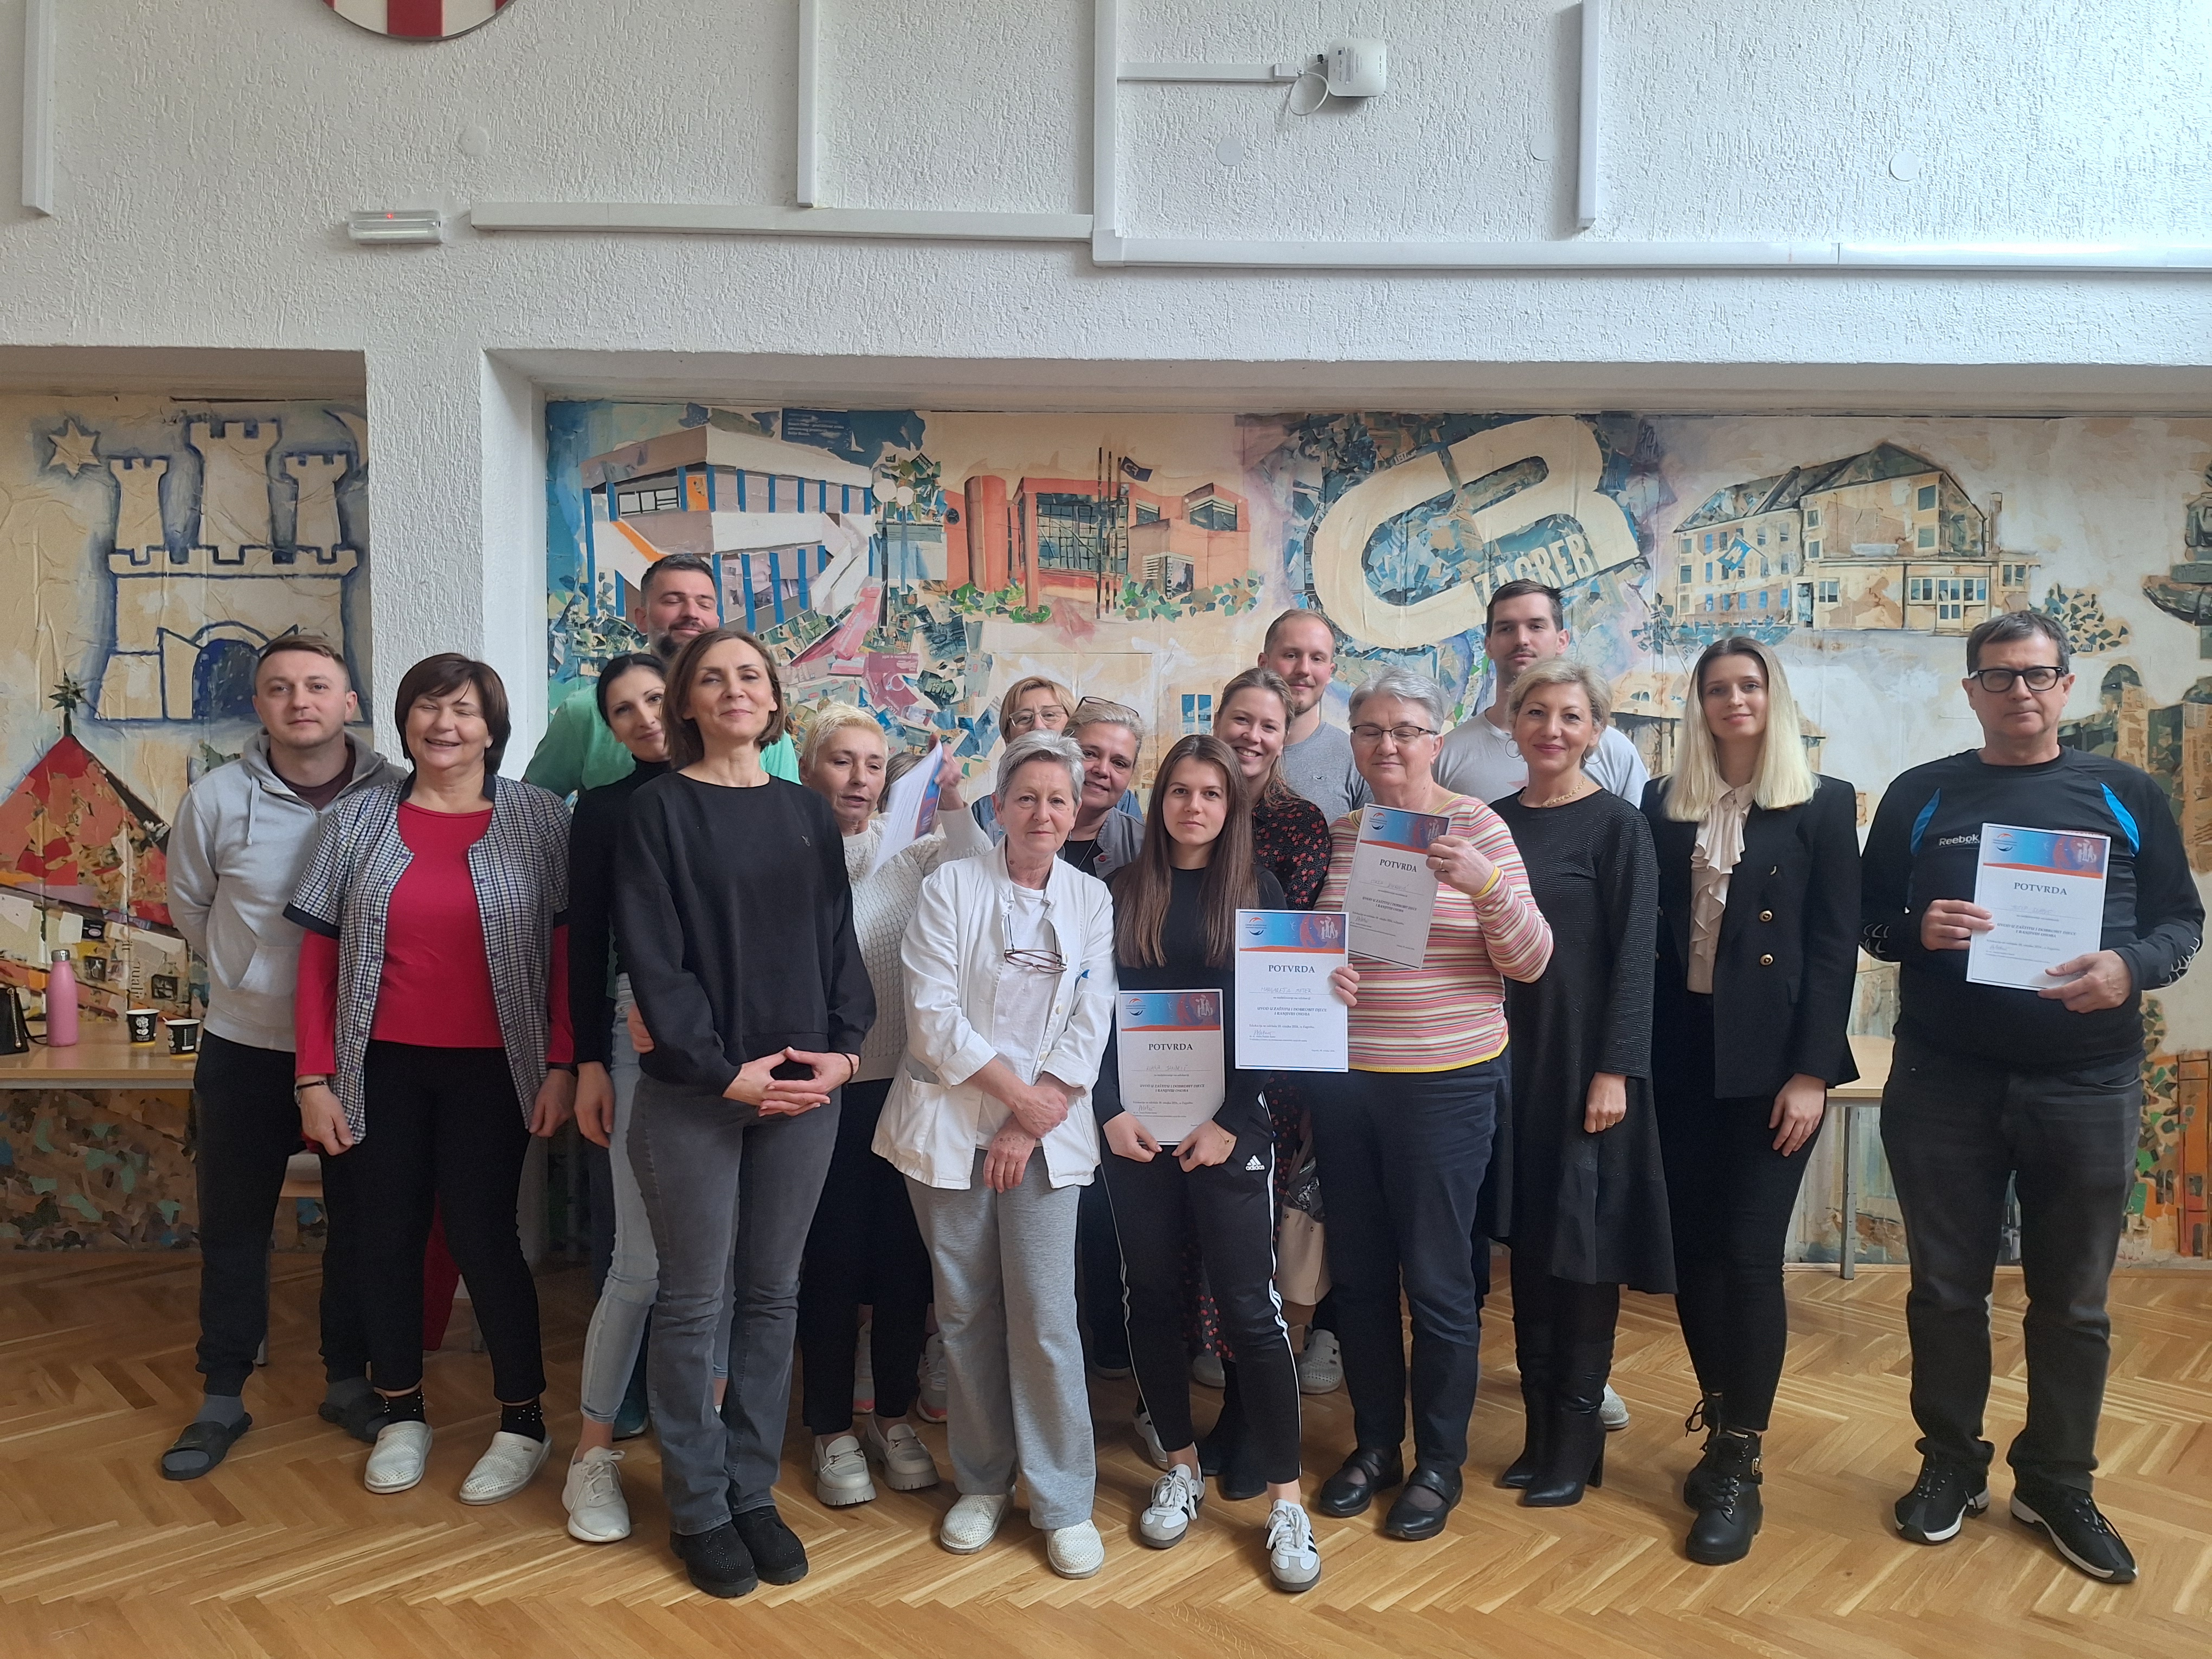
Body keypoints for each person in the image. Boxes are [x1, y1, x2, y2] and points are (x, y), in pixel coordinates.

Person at [1862, 610, 2200, 1585]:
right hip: (1942, 1082)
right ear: (1971, 690)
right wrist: (1916, 929)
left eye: (2038, 674)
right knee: (1944, 1291)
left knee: (2075, 1305)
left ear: (2066, 686)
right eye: (2000, 676)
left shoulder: (2127, 793)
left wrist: (2130, 968)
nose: (2020, 691)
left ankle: (2056, 1480)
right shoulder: (1922, 795)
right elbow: (1868, 921)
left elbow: (2181, 924)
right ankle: (1951, 1463)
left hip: (2089, 1085)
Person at [614, 627, 874, 1599]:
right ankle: (698, 1507)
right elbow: (655, 961)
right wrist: (725, 1074)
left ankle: (751, 1490)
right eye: (713, 678)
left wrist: (846, 1052)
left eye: (752, 677)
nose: (734, 690)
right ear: (685, 701)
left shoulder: (807, 813)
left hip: (803, 1093)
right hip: (699, 1095)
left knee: (772, 1297)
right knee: (694, 1301)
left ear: (774, 701)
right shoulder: (657, 811)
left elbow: (839, 946)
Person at [288, 654, 576, 1504]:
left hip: (498, 1068)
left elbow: (567, 957)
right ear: (405, 722)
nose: (444, 725)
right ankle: (401, 1411)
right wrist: (314, 1077)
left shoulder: (539, 819)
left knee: (486, 1238)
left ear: (492, 728)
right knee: (386, 1237)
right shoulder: (355, 820)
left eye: (464, 710)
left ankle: (522, 1422)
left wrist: (563, 1063)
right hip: (379, 1065)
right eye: (427, 707)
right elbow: (317, 961)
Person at [1309, 666, 1553, 1541]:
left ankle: (1439, 1462)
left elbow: (1532, 961)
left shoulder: (1479, 827)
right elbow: (1315, 953)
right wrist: (1321, 975)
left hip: (1447, 1084)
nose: (1388, 745)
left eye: (1406, 730)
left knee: (1440, 1280)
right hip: (1348, 1086)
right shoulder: (1344, 835)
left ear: (1436, 741)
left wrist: (1484, 884)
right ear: (1354, 741)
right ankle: (1377, 1445)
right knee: (1362, 1278)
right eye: (1371, 730)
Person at [873, 730, 1117, 1580]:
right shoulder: (950, 887)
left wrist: (1028, 1120)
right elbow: (932, 1018)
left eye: (1058, 799)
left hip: (1045, 1134)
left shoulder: (1092, 899)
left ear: (1075, 810)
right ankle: (982, 1483)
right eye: (1027, 797)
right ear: (1000, 806)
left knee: (1046, 1319)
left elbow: (1093, 1016)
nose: (1042, 813)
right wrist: (1017, 1099)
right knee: (967, 1313)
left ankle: (1063, 1501)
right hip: (950, 1129)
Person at [158, 636, 401, 1480]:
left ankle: (347, 1381)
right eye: (280, 688)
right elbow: (190, 904)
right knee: (234, 1227)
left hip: (361, 1052)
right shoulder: (216, 799)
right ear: (259, 705)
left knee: (359, 1228)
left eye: (318, 686)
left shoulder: (397, 793)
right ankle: (222, 1395)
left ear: (348, 702)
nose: (300, 701)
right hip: (246, 1047)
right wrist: (249, 976)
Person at [1643, 635, 1860, 1566]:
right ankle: (1721, 1418)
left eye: (1750, 686)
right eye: (1718, 689)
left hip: (1775, 1065)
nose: (1735, 701)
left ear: (1774, 699)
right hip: (1681, 1054)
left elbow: (1834, 946)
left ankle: (1741, 1457)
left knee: (1748, 1252)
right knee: (1692, 1252)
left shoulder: (1822, 801)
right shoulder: (1665, 802)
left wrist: (1811, 1073)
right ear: (1699, 705)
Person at [1095, 734, 1322, 1592]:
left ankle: (1287, 1503)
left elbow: (1278, 1017)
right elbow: (1091, 1014)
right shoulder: (1122, 890)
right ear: (1159, 804)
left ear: (1233, 808)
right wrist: (1109, 1109)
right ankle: (1181, 1467)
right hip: (1137, 1135)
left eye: (1212, 794)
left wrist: (1229, 1120)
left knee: (1251, 1311)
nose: (1195, 807)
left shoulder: (1258, 891)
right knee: (1151, 1298)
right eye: (1180, 792)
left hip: (1230, 1134)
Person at [1484, 660, 1671, 1510]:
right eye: (1536, 712)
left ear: (1596, 730)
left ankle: (1577, 1431)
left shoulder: (1619, 826)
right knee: (1529, 1250)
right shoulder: (1491, 822)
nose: (1551, 729)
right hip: (1507, 1063)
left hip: (1586, 1067)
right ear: (1514, 723)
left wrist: (1616, 1068)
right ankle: (1538, 1435)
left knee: (1582, 1254)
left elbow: (1637, 958)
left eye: (1570, 715)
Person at [795, 705, 990, 1509]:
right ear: (809, 768)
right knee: (833, 1263)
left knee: (907, 1263)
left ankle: (893, 1416)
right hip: (823, 1090)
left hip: (908, 1087)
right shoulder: (788, 849)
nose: (859, 778)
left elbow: (983, 870)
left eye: (874, 765)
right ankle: (830, 1426)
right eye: (842, 761)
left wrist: (953, 798)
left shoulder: (913, 852)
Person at [557, 653, 672, 1544]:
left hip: (747, 1050)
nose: (643, 717)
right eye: (622, 710)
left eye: (655, 698)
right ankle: (591, 1454)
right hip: (634, 1040)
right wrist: (588, 1061)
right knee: (639, 1263)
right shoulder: (603, 810)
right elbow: (585, 939)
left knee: (724, 1270)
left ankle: (702, 1445)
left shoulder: (755, 797)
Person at [526, 552, 796, 793]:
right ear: (642, 618)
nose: (691, 613)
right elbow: (529, 807)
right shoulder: (583, 712)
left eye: (704, 604)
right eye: (673, 601)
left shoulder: (751, 715)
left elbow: (787, 811)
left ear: (717, 621)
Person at [1434, 580, 1649, 805]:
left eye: (1536, 626)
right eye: (1506, 628)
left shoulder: (1614, 750)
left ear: (1562, 640)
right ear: (1488, 645)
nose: (1521, 639)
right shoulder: (1449, 753)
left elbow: (1637, 825)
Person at [1215, 666, 1333, 909]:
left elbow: (1292, 924)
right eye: (1241, 720)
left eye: (1269, 727)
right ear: (1217, 723)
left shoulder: (1302, 823)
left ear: (1283, 741)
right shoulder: (1188, 805)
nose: (1253, 736)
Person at [1256, 609, 1368, 824]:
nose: (1304, 669)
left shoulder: (1355, 757)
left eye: (1317, 659)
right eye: (1291, 655)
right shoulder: (1229, 751)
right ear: (1263, 664)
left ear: (1330, 672)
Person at [1059, 700, 1146, 879]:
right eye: (1089, 754)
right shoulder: (1012, 830)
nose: (1103, 770)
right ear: (1060, 753)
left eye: (1119, 763)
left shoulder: (1146, 847)